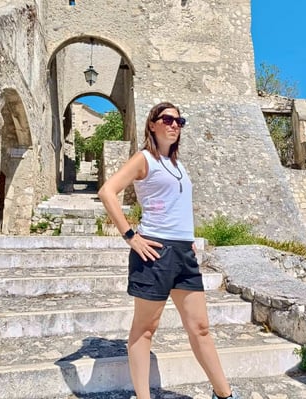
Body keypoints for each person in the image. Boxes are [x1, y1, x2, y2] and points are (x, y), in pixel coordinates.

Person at [98, 102, 241, 399]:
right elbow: (107, 191)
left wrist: (187, 237)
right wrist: (131, 236)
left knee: (200, 328)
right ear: (152, 124)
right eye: (167, 119)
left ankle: (224, 394)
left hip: (183, 255)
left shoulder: (178, 166)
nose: (174, 125)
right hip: (154, 253)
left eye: (179, 120)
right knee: (145, 330)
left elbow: (178, 206)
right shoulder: (144, 159)